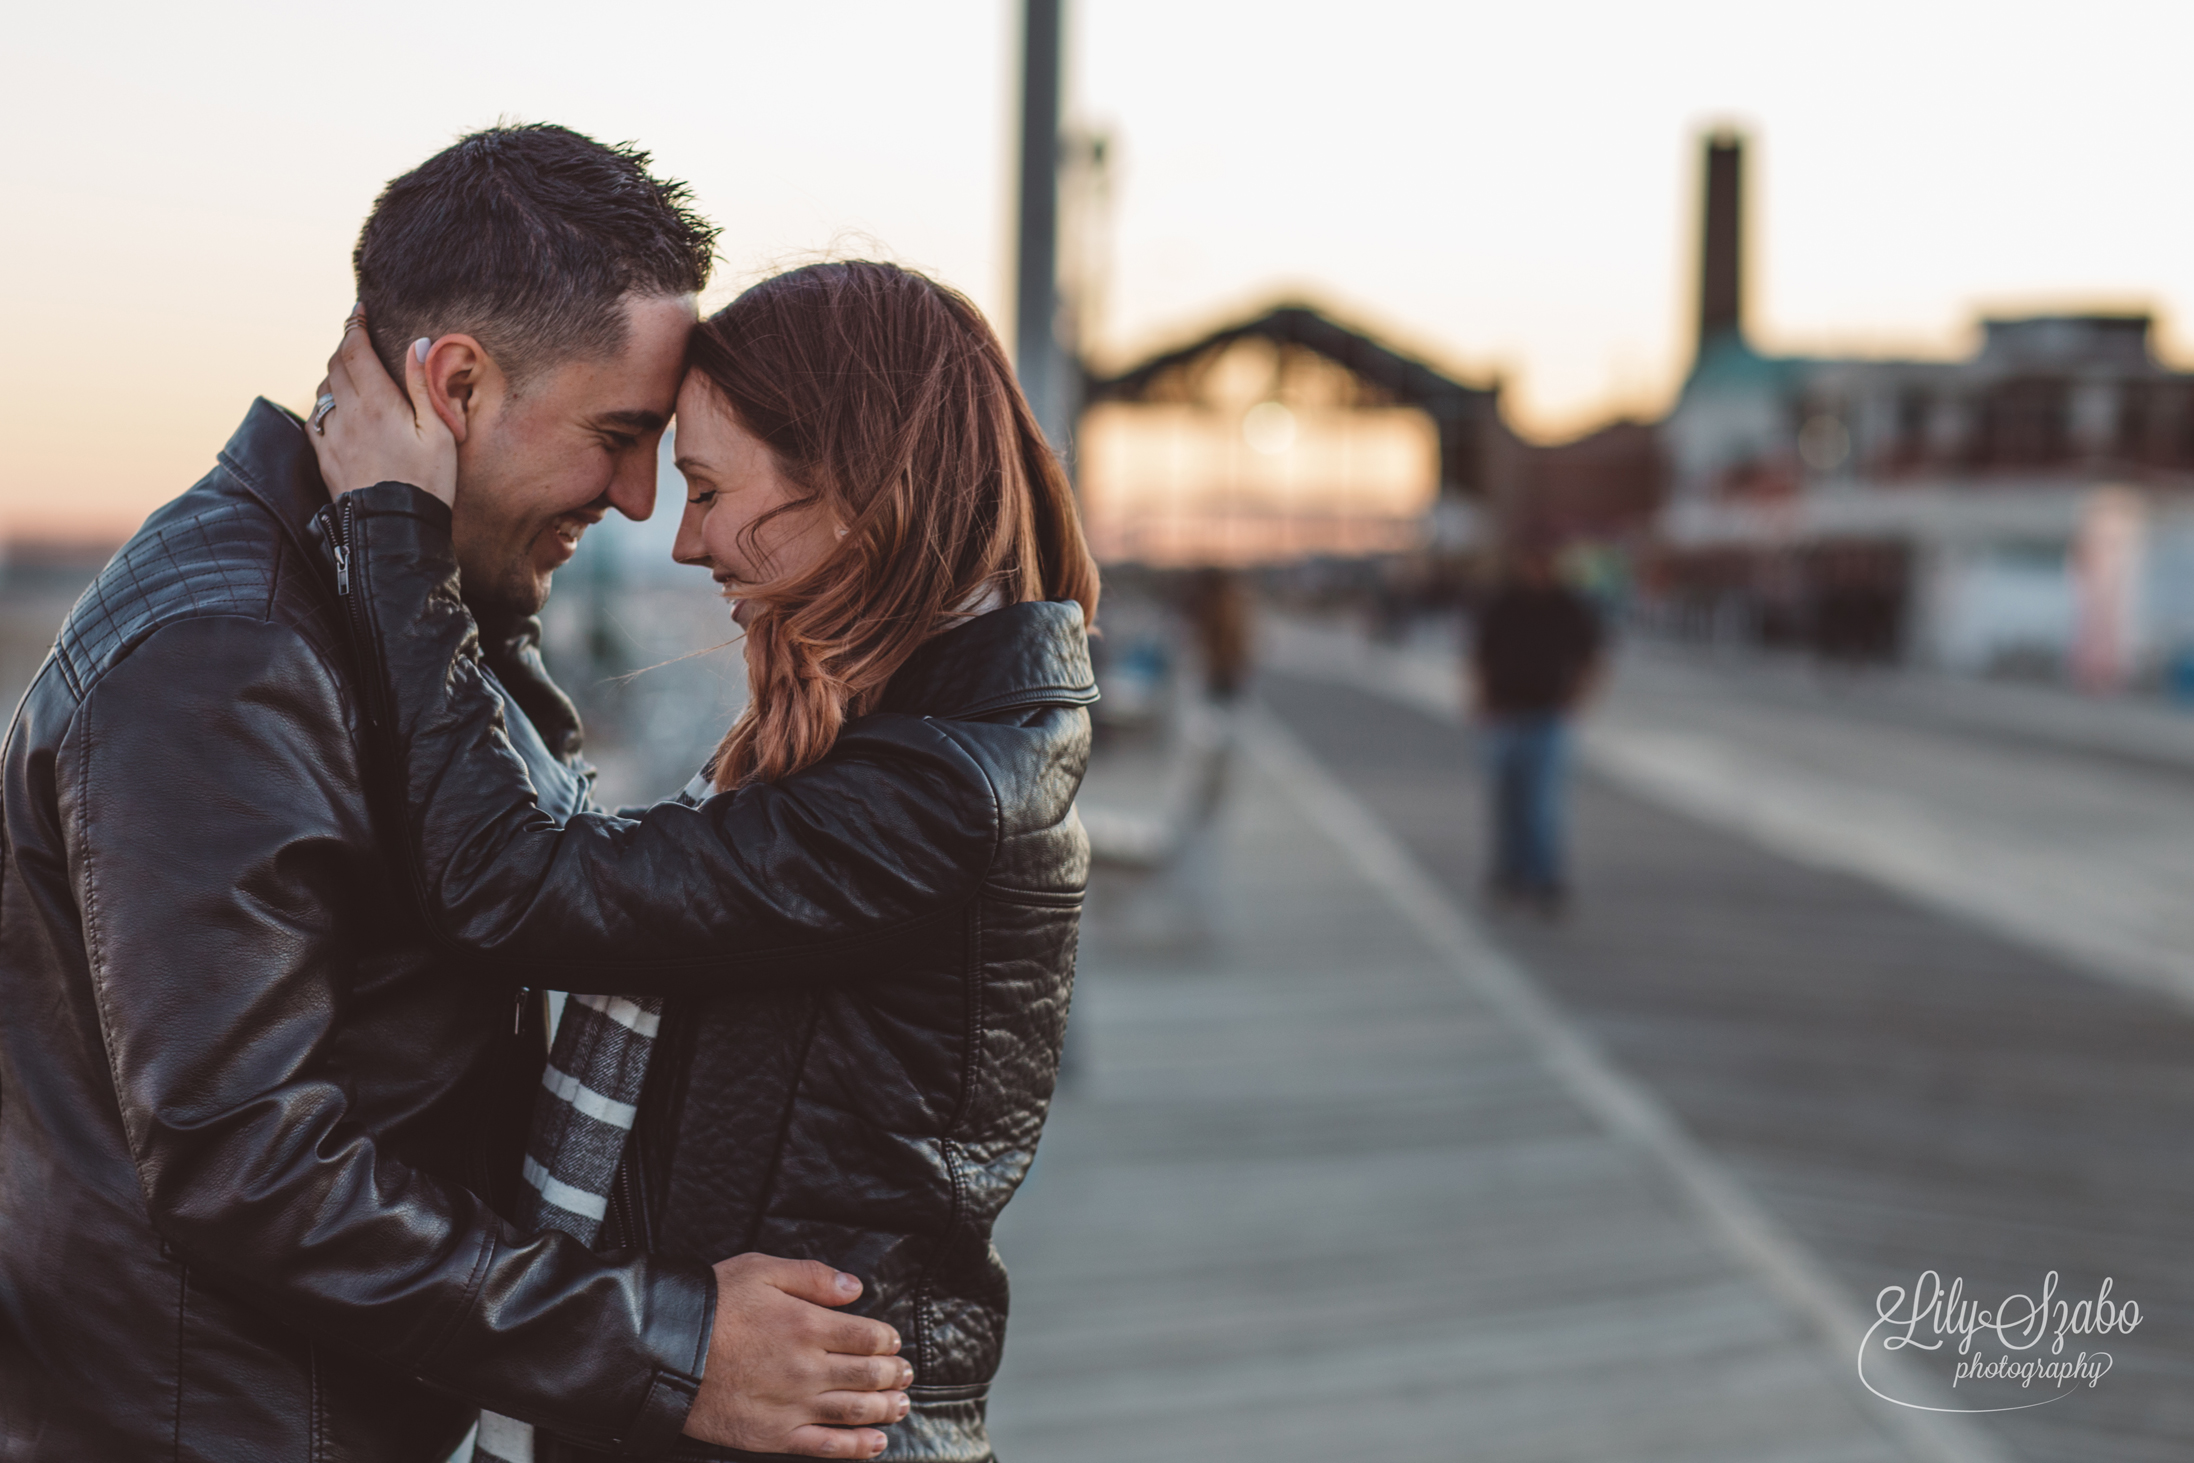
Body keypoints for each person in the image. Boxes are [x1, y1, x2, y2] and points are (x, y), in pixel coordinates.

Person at [0, 125, 909, 1463]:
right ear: (459, 384)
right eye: (619, 433)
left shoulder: (383, 599)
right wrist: (668, 1345)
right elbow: (247, 1163)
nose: (643, 495)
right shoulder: (226, 653)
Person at [307, 259, 1101, 1463]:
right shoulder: (924, 747)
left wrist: (404, 541)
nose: (685, 540)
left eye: (709, 487)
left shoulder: (938, 794)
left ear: (852, 486)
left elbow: (512, 881)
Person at [1467, 540, 1604, 915]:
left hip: (1546, 716)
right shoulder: (1503, 603)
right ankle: (1509, 873)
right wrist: (1479, 701)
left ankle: (1544, 877)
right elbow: (1479, 655)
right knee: (1507, 800)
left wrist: (1575, 702)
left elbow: (1591, 658)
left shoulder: (1567, 606)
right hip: (1505, 714)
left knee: (1542, 804)